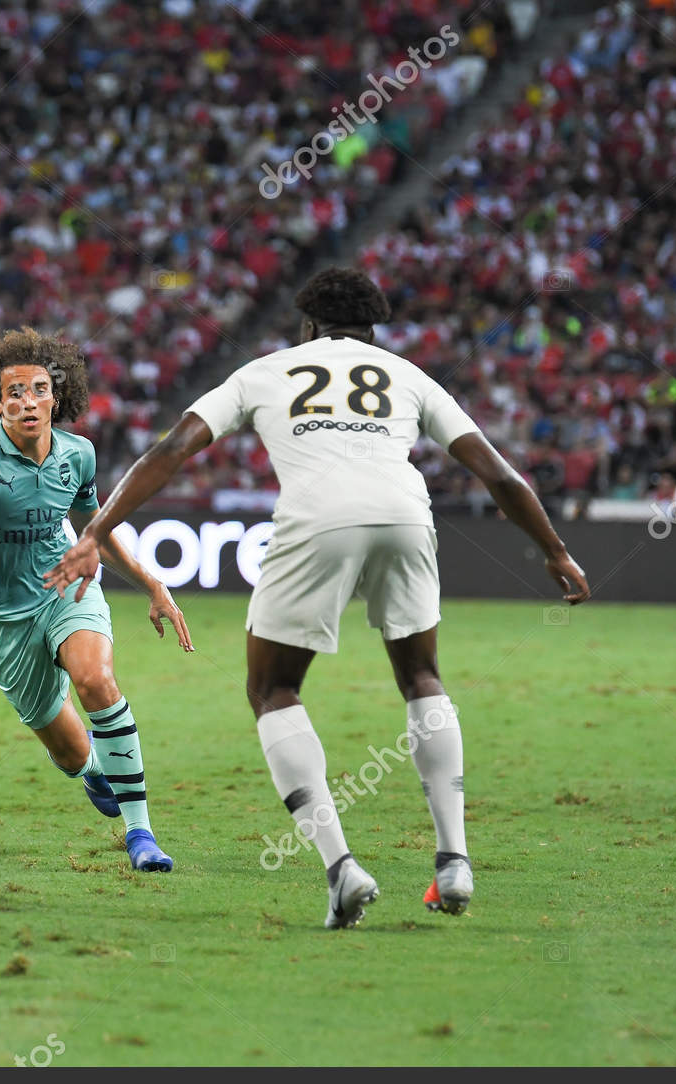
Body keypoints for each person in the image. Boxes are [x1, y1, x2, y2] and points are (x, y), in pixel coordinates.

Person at [45, 268, 591, 926]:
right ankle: (454, 862)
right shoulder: (407, 375)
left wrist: (96, 531)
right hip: (405, 511)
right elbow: (498, 473)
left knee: (272, 689)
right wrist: (554, 548)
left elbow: (174, 448)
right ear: (372, 327)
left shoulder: (266, 371)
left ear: (308, 325)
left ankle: (342, 869)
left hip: (317, 517)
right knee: (422, 675)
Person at [0, 327, 194, 874]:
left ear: (56, 397)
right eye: (14, 392)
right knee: (72, 753)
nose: (27, 401)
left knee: (95, 680)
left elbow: (93, 532)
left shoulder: (79, 454)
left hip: (67, 590)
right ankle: (93, 773)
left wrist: (152, 583)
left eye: (37, 389)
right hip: (4, 620)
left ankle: (141, 834)